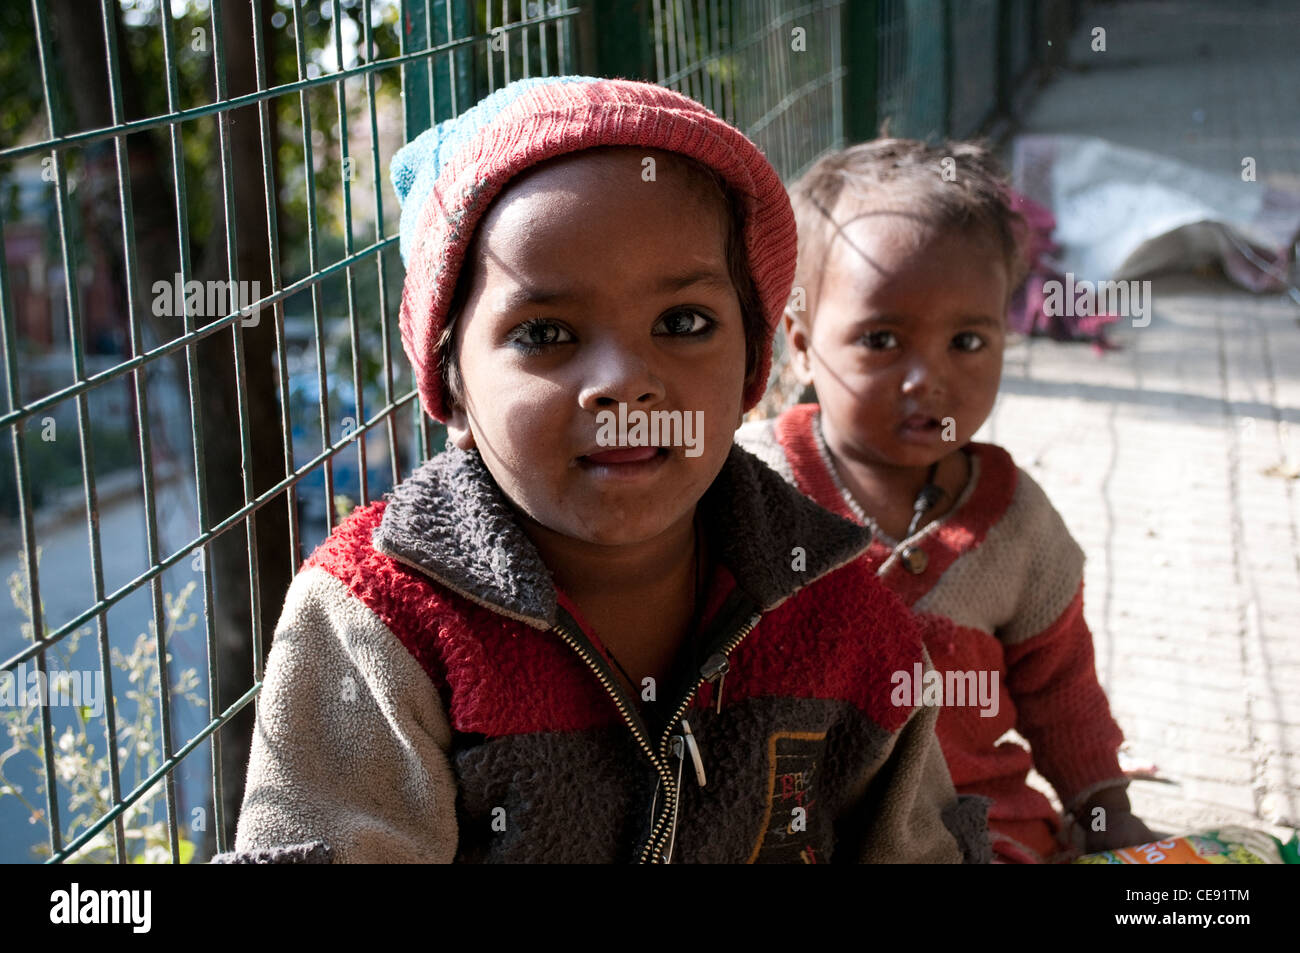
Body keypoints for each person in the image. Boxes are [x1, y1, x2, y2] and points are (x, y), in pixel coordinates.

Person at [220, 79, 989, 864]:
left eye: (682, 323)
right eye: (545, 331)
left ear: (754, 360)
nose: (624, 379)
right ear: (449, 376)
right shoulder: (378, 621)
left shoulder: (840, 617)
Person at [737, 139, 1156, 864]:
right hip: (796, 827)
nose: (928, 378)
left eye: (967, 339)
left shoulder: (1018, 523)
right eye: (881, 339)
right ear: (802, 346)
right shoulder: (753, 484)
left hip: (976, 829)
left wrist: (1105, 806)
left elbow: (1063, 691)